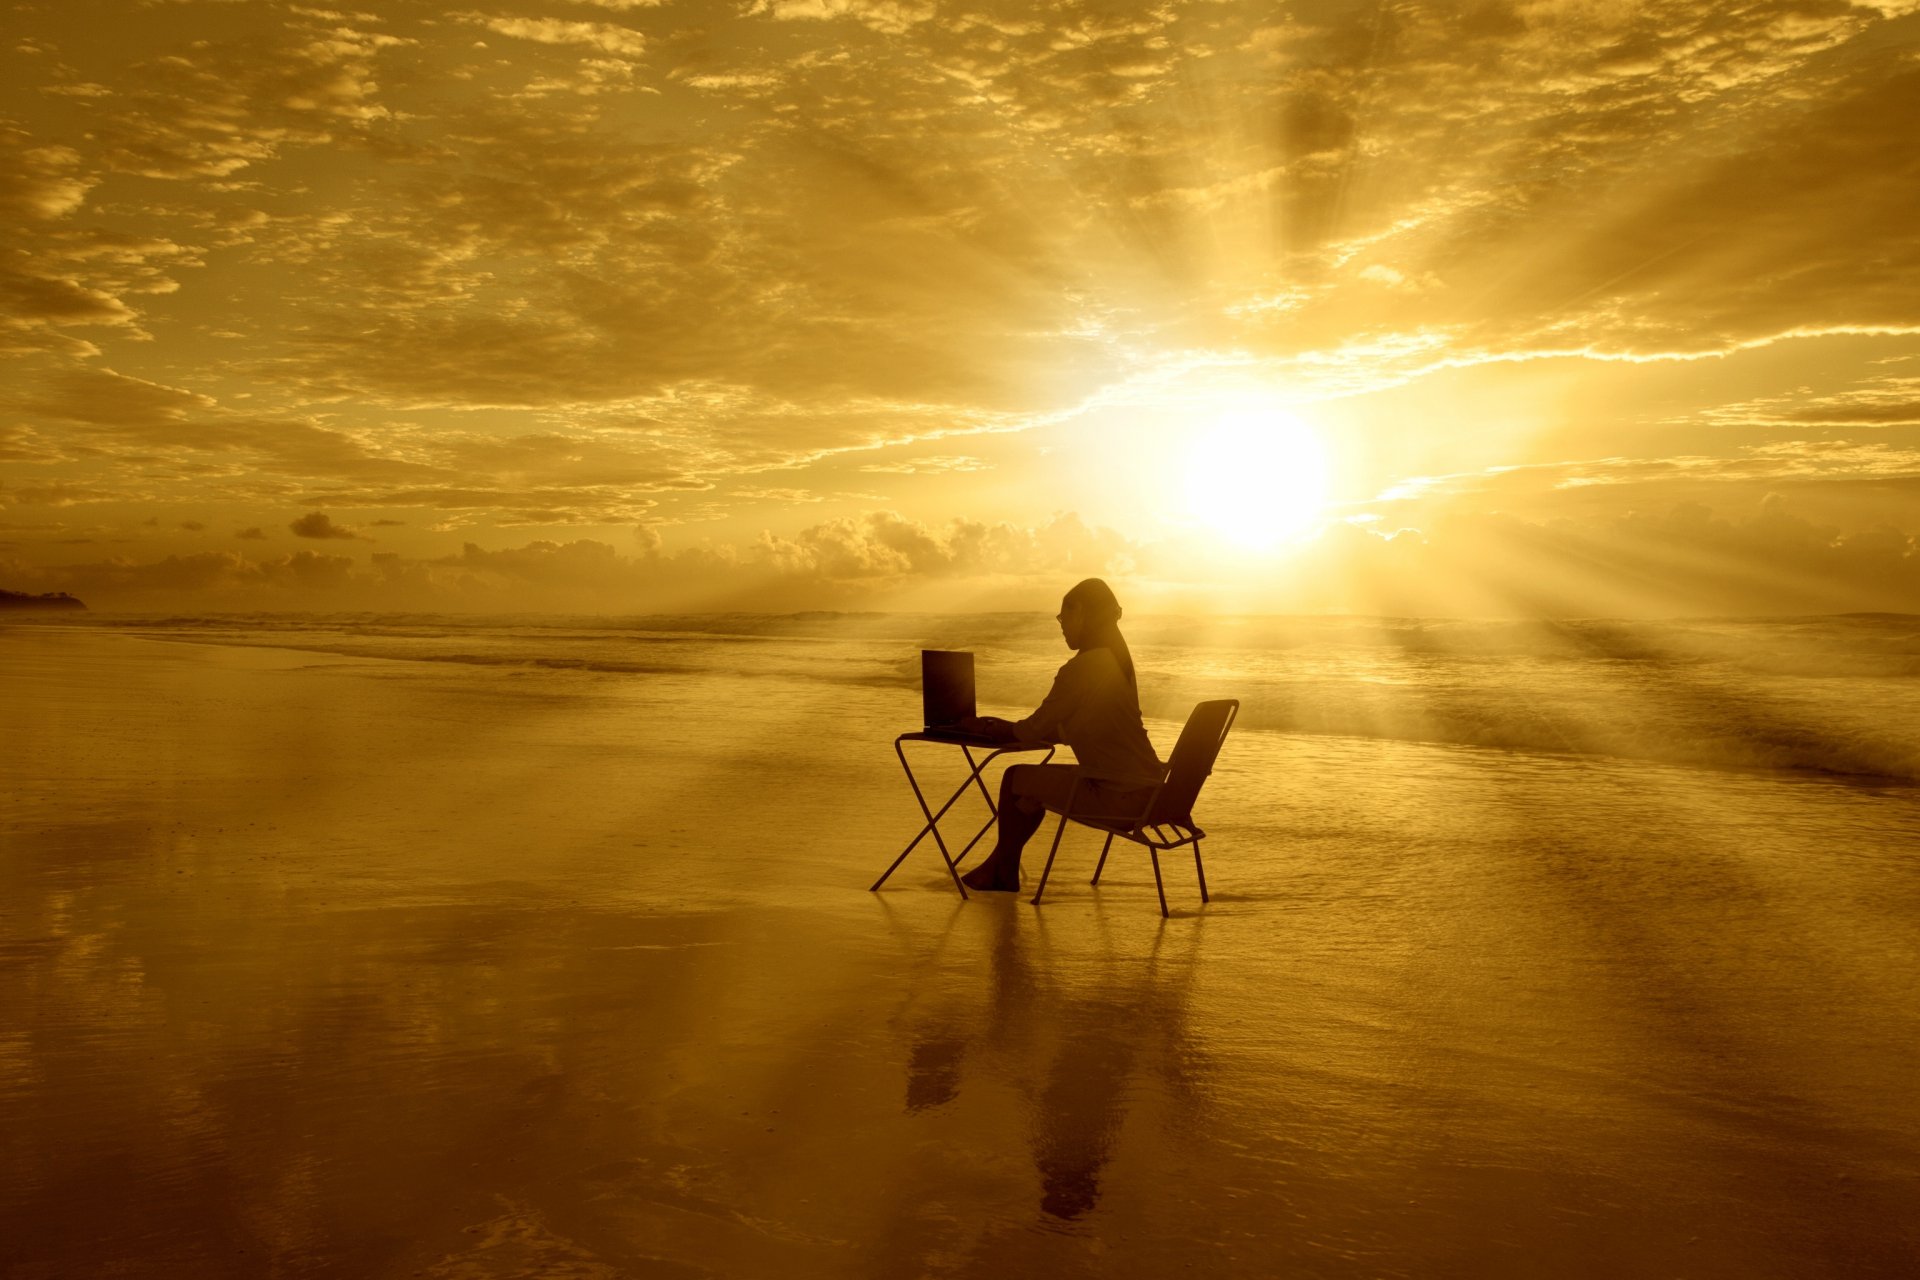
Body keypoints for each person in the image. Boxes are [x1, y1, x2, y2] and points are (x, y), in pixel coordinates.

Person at [958, 578, 1163, 892]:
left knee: (1016, 780)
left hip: (1117, 797)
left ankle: (1001, 870)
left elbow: (1031, 730)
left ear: (1080, 612)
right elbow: (1090, 724)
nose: (1062, 625)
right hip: (1152, 791)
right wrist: (1045, 731)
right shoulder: (1117, 661)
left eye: (1063, 617)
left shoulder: (1083, 667)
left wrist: (988, 727)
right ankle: (1000, 868)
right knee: (1030, 784)